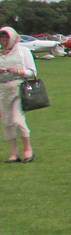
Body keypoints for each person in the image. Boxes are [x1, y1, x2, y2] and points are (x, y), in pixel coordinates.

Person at [0, 27, 36, 163]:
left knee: (17, 119)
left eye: (6, 39)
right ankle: (14, 153)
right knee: (7, 121)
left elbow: (32, 72)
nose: (4, 42)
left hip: (18, 87)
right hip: (3, 89)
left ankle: (28, 149)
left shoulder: (23, 51)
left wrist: (18, 71)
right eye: (1, 39)